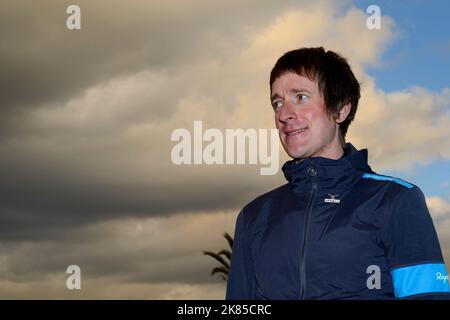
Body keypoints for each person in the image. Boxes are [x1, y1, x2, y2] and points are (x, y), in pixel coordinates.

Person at [225, 47, 450, 300]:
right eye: (277, 102)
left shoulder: (396, 200)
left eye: (300, 97)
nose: (283, 114)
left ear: (340, 110)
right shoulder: (254, 217)